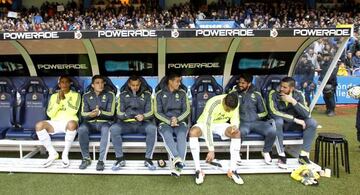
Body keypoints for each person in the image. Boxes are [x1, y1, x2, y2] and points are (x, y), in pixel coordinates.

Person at [189, 93, 243, 185]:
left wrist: (234, 126)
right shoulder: (213, 103)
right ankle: (198, 170)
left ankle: (233, 170)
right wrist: (211, 149)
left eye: (230, 110)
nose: (228, 111)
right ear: (224, 101)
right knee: (193, 132)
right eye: (227, 109)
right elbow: (207, 127)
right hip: (205, 123)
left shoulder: (235, 102)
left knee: (237, 133)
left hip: (221, 125)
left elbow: (235, 118)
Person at [109, 75, 157, 171]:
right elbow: (119, 112)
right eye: (133, 85)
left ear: (140, 84)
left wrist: (143, 116)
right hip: (126, 124)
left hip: (142, 123)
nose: (135, 87)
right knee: (114, 128)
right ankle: (119, 159)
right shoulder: (123, 95)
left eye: (137, 85)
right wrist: (127, 115)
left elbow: (151, 112)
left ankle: (148, 159)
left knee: (152, 128)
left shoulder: (147, 95)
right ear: (129, 84)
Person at [268, 77, 317, 169]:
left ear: (292, 88)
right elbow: (273, 112)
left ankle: (303, 155)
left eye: (284, 87)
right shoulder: (273, 93)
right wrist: (295, 119)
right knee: (278, 121)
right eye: (281, 86)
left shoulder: (298, 94)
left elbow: (307, 113)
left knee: (312, 122)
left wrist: (293, 101)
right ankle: (281, 154)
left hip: (294, 125)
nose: (281, 88)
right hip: (280, 124)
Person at [35, 76, 80, 168]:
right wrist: (58, 102)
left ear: (70, 83)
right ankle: (52, 153)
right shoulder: (54, 96)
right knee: (39, 125)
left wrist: (64, 100)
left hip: (69, 122)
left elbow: (73, 111)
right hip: (55, 122)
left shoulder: (76, 95)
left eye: (66, 82)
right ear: (59, 85)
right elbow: (50, 113)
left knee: (72, 124)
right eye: (62, 82)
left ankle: (65, 154)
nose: (64, 84)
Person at [230, 73, 276, 165]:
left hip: (256, 122)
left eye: (243, 83)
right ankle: (236, 152)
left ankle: (266, 152)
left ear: (249, 83)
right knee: (240, 132)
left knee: (272, 131)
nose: (240, 85)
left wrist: (256, 116)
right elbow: (229, 107)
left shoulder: (257, 94)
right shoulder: (234, 93)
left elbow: (264, 112)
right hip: (242, 122)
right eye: (240, 82)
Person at [154, 73, 190, 177]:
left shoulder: (183, 93)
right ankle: (178, 161)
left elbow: (187, 110)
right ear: (170, 81)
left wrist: (177, 119)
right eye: (177, 81)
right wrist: (169, 121)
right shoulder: (159, 94)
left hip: (180, 121)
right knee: (167, 133)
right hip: (165, 122)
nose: (179, 83)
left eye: (180, 81)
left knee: (181, 135)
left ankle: (177, 166)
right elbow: (157, 112)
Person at [78, 75, 116, 171]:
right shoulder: (86, 96)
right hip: (90, 122)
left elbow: (111, 113)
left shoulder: (110, 94)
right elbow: (83, 113)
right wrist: (91, 114)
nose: (100, 85)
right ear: (92, 85)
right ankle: (86, 158)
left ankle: (101, 160)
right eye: (97, 83)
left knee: (106, 129)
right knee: (81, 129)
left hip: (104, 122)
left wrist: (99, 113)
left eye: (102, 82)